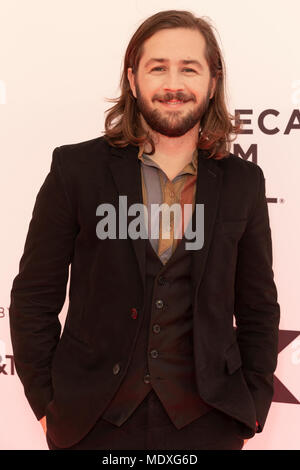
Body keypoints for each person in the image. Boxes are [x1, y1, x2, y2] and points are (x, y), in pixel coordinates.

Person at [9, 10, 280, 450]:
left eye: (188, 68)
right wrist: (46, 407)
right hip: (90, 423)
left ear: (212, 82)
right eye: (158, 68)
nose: (173, 84)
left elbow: (258, 308)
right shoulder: (75, 170)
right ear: (133, 81)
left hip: (209, 423)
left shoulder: (243, 183)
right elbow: (34, 297)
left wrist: (250, 409)